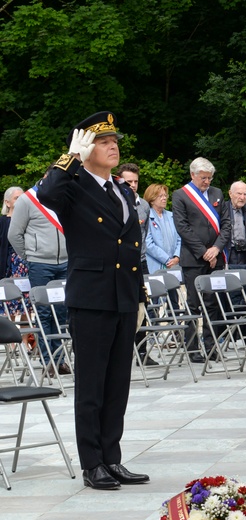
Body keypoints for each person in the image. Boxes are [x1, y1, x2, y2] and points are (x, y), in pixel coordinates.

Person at [36, 111, 149, 490]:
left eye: (114, 140)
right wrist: (67, 159)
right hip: (92, 297)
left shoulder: (122, 188)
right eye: (103, 141)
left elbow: (132, 246)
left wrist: (140, 295)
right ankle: (92, 463)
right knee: (92, 385)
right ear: (86, 149)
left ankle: (111, 458)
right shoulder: (73, 185)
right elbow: (46, 194)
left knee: (118, 383)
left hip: (122, 295)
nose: (112, 145)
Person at [8, 169, 70, 375]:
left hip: (66, 262)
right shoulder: (28, 200)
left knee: (62, 313)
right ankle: (48, 361)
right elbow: (14, 234)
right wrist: (29, 255)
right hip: (40, 264)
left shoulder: (64, 196)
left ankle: (61, 359)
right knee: (43, 313)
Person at [172, 157, 232, 364]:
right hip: (194, 259)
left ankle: (212, 346)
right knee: (194, 303)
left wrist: (216, 249)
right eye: (203, 178)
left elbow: (226, 225)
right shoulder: (181, 195)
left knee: (213, 302)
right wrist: (203, 251)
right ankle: (192, 348)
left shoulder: (217, 193)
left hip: (216, 256)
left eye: (209, 178)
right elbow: (183, 227)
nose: (207, 182)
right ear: (193, 175)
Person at [143, 184, 180, 274]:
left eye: (165, 195)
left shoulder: (172, 216)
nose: (164, 198)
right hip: (155, 265)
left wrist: (177, 257)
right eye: (160, 196)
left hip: (175, 265)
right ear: (151, 200)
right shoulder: (146, 216)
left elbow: (180, 238)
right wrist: (167, 259)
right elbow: (148, 243)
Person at [222, 181, 246, 269]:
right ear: (230, 194)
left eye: (245, 194)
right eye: (239, 194)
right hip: (229, 251)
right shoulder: (222, 210)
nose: (242, 197)